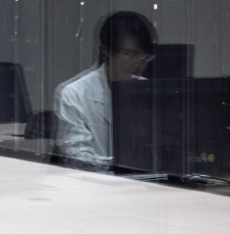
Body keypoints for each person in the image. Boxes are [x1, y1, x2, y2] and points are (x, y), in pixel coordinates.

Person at [55, 10, 156, 173]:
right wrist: (123, 164)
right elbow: (77, 157)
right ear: (105, 51)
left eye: (145, 57)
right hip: (94, 186)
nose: (139, 64)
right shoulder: (74, 93)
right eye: (129, 54)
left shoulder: (148, 91)